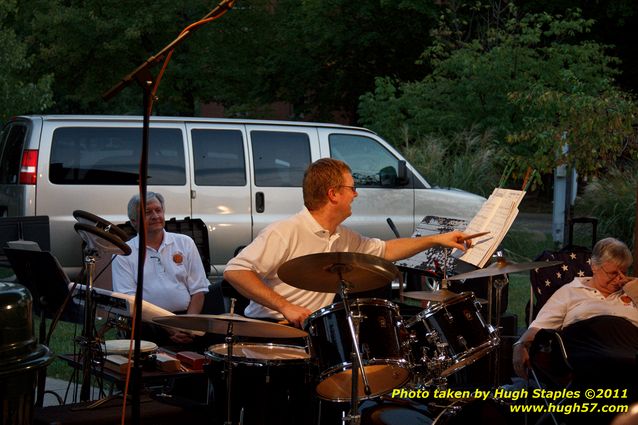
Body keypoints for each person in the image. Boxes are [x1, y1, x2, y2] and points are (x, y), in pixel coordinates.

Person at [224, 158, 472, 328]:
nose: (356, 194)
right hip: (270, 333)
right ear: (333, 194)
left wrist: (437, 239)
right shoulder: (285, 231)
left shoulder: (344, 237)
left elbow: (386, 250)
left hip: (306, 332)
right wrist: (286, 306)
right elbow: (235, 271)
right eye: (352, 188)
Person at [512, 237, 638, 404]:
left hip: (629, 347)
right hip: (587, 348)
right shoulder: (570, 291)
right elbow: (539, 326)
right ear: (594, 266)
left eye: (624, 271)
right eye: (613, 273)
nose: (620, 279)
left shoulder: (632, 291)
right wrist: (521, 345)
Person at [112, 192, 210, 345]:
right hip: (148, 323)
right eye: (147, 212)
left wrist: (187, 325)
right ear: (134, 221)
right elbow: (130, 301)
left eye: (158, 210)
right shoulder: (124, 254)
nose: (155, 216)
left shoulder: (185, 243)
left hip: (187, 318)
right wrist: (169, 328)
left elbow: (198, 291)